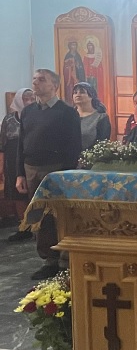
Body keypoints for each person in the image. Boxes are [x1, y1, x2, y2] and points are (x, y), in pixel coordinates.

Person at [17, 69, 81, 279]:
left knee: (58, 215)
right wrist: (20, 174)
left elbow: (74, 146)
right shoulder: (28, 112)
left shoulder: (67, 112)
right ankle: (48, 259)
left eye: (41, 80)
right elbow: (21, 145)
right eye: (34, 79)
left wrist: (66, 174)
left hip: (56, 169)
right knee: (39, 216)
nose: (36, 83)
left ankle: (64, 257)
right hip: (31, 168)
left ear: (54, 85)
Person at [2, 88, 34, 242]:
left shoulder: (37, 116)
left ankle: (38, 227)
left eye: (32, 98)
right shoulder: (9, 119)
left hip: (31, 158)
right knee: (17, 194)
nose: (29, 101)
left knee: (33, 191)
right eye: (26, 98)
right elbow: (2, 143)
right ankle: (24, 227)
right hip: (12, 160)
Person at [70, 82, 111, 149]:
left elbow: (102, 143)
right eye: (75, 93)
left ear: (91, 96)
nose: (78, 95)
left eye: (82, 92)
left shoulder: (100, 117)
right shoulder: (68, 115)